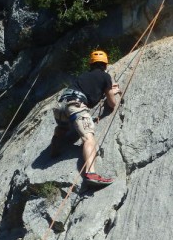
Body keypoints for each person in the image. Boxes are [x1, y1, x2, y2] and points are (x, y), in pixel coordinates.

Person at [51, 50, 122, 185]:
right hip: (76, 105)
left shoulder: (83, 76)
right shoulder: (105, 76)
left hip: (60, 106)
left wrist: (107, 90)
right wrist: (114, 92)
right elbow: (112, 104)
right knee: (89, 138)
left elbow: (91, 89)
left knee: (63, 126)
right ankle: (91, 173)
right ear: (105, 65)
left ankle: (55, 145)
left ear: (91, 64)